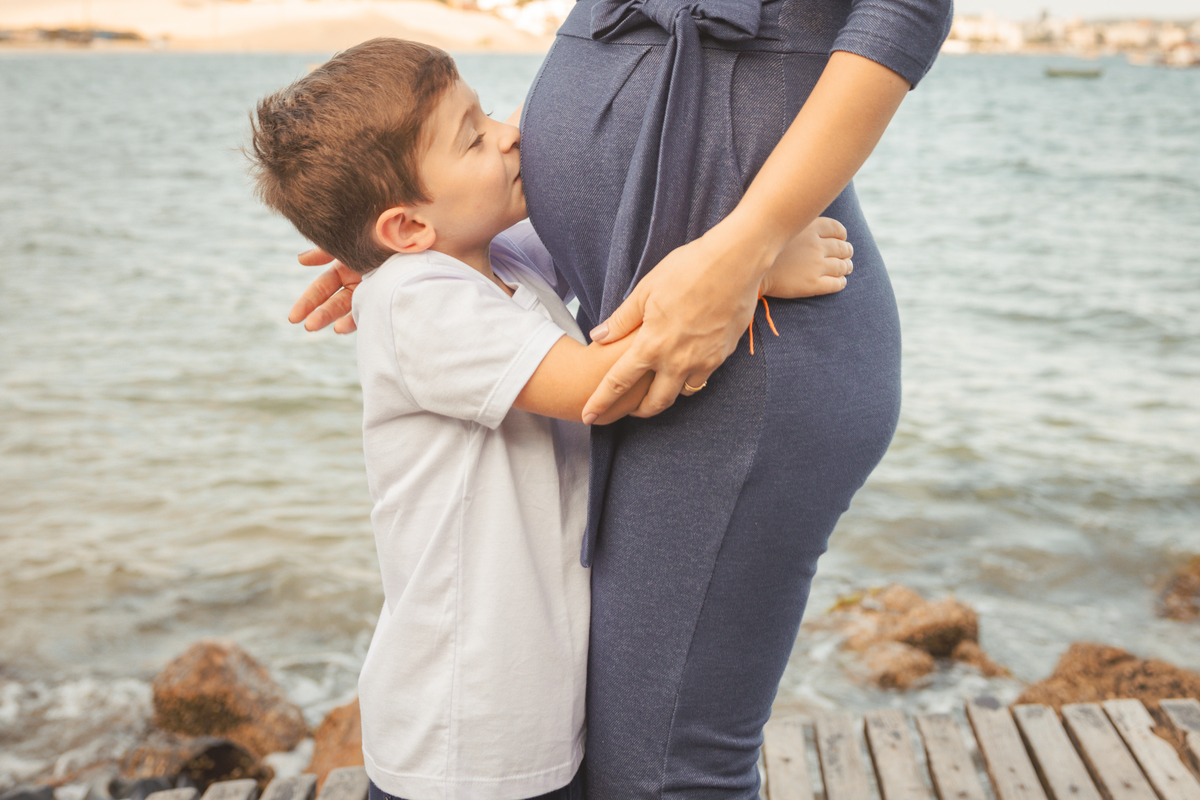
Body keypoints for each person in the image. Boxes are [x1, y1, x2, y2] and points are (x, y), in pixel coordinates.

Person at [250, 38, 856, 800]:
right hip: (464, 737)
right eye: (473, 137)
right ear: (406, 230)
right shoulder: (418, 300)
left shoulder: (497, 259)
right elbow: (601, 385)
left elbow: (616, 233)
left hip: (523, 715)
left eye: (488, 112)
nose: (509, 134)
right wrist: (749, 272)